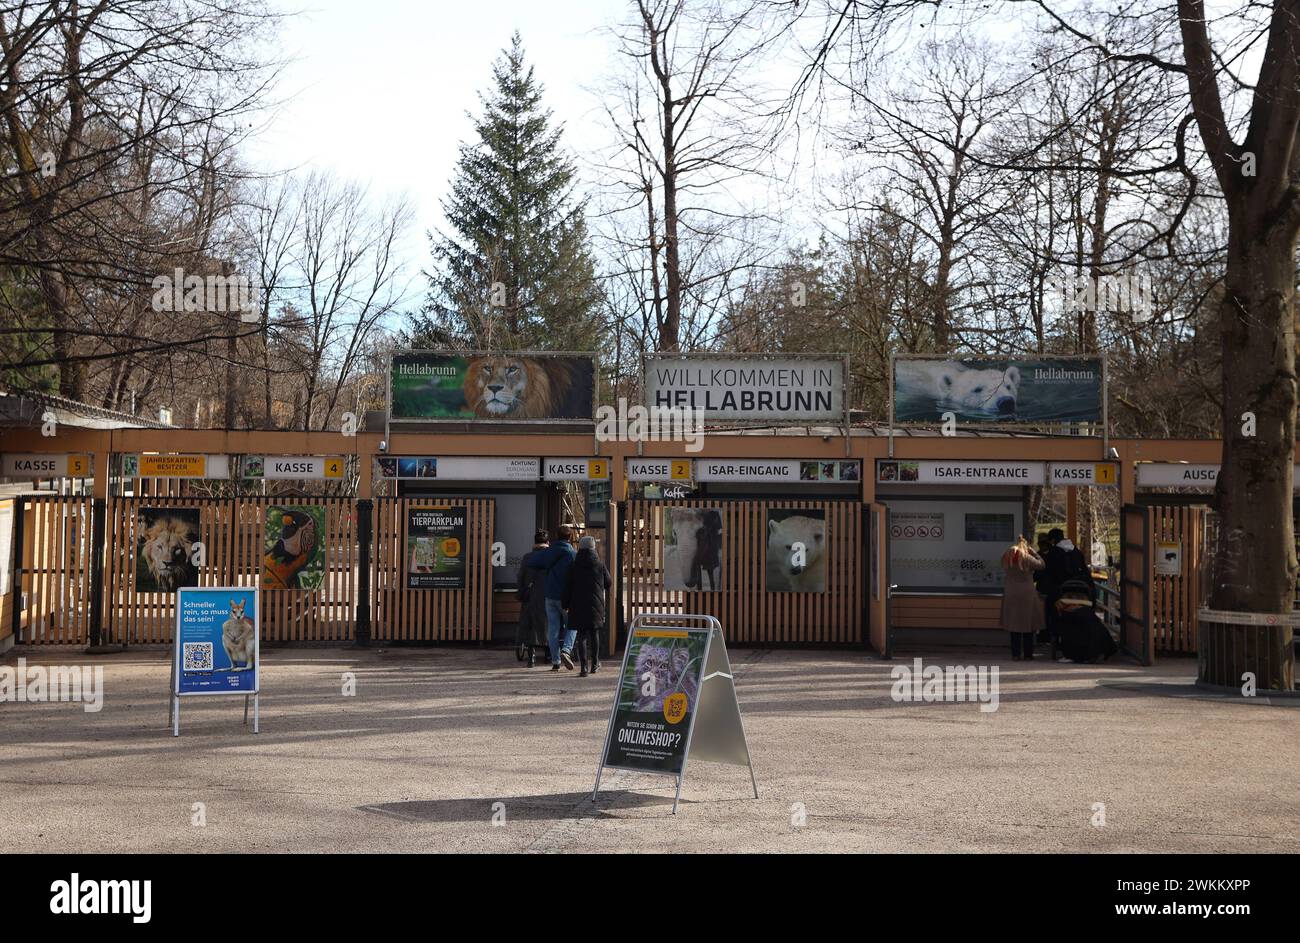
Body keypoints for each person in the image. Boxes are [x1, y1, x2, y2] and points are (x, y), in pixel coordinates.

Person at [530, 523, 578, 670]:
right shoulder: (572, 554)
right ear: (570, 537)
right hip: (566, 598)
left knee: (553, 629)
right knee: (573, 624)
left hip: (550, 595)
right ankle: (566, 650)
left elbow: (533, 561)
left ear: (556, 536)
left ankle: (556, 661)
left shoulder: (550, 551)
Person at [563, 535, 611, 677]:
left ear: (580, 548)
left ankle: (583, 668)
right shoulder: (600, 565)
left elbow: (567, 588)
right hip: (596, 605)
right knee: (594, 633)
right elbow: (608, 583)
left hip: (577, 605)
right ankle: (595, 664)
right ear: (593, 548)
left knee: (581, 635)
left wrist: (565, 604)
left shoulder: (573, 566)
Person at [1000, 535, 1045, 660]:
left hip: (1011, 593)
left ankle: (1015, 654)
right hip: (1027, 593)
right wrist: (1034, 553)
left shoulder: (1007, 557)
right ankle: (1028, 654)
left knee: (1014, 624)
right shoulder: (1027, 558)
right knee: (1028, 624)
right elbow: (1042, 565)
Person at [1055, 578, 1119, 662]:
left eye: (1078, 596)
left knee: (1091, 621)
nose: (1075, 598)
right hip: (1069, 613)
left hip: (1080, 614)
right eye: (1071, 596)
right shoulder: (1061, 602)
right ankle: (1104, 650)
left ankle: (1095, 652)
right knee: (1092, 621)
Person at [514, 531, 550, 668]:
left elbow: (521, 577)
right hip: (546, 595)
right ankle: (547, 655)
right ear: (547, 542)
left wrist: (521, 593)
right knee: (547, 624)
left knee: (530, 626)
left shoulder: (527, 557)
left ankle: (532, 657)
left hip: (530, 595)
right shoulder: (550, 557)